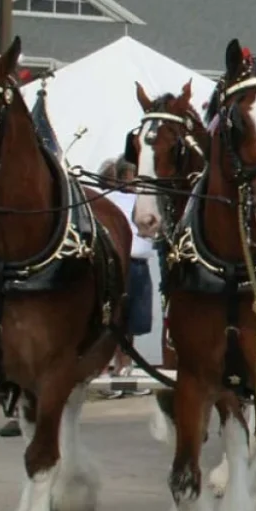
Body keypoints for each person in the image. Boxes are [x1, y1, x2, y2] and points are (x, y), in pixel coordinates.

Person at [98, 156, 155, 398]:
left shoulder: (144, 201)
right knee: (113, 319)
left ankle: (126, 370)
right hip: (117, 265)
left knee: (132, 321)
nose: (134, 180)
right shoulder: (108, 200)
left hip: (140, 265)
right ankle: (105, 370)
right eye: (130, 176)